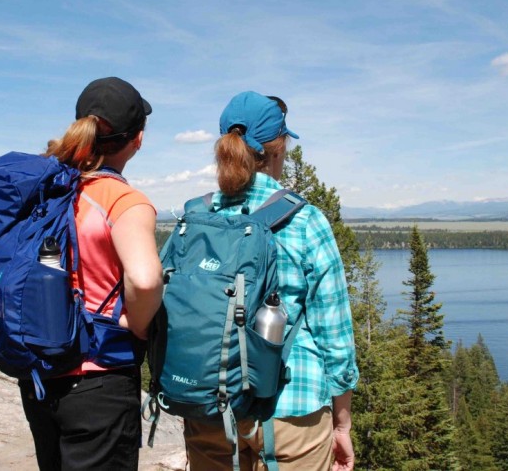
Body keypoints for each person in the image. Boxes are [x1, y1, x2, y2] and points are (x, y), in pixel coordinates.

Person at [182, 91, 359, 471]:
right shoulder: (305, 221)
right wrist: (342, 422)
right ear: (278, 150)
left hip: (207, 405)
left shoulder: (195, 218)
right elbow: (335, 334)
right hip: (292, 410)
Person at [18, 77, 163, 471]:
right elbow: (146, 279)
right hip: (99, 380)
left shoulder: (47, 189)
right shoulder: (123, 200)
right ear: (137, 140)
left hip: (41, 374)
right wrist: (136, 322)